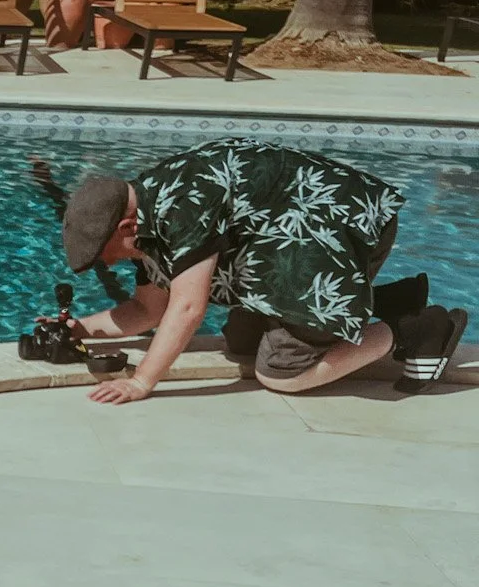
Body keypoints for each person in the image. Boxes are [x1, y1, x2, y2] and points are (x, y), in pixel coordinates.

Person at [59, 137, 466, 405]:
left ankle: (418, 329)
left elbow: (186, 309)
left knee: (282, 371)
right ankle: (395, 299)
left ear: (126, 227)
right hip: (297, 238)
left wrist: (141, 381)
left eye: (103, 255)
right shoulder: (150, 206)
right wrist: (77, 329)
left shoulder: (181, 208)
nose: (107, 264)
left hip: (340, 227)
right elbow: (147, 310)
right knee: (240, 340)